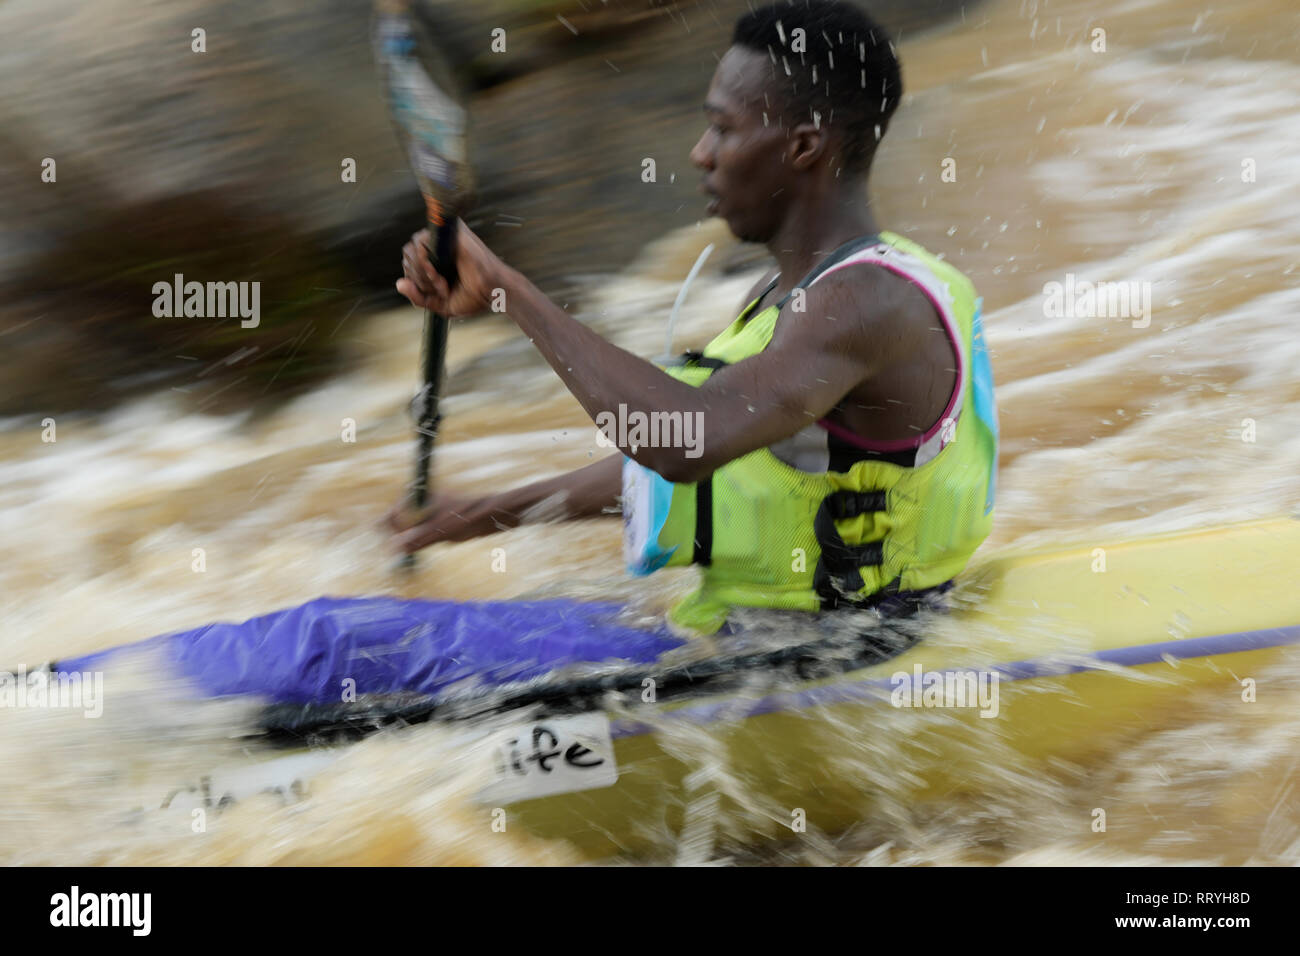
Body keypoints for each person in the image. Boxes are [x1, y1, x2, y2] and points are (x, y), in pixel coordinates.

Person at [388, 0, 999, 637]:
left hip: (836, 656)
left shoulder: (863, 303)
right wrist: (479, 516)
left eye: (723, 129)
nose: (701, 153)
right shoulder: (785, 295)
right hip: (756, 640)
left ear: (803, 147)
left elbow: (687, 441)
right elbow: (702, 462)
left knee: (336, 647)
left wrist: (512, 293)